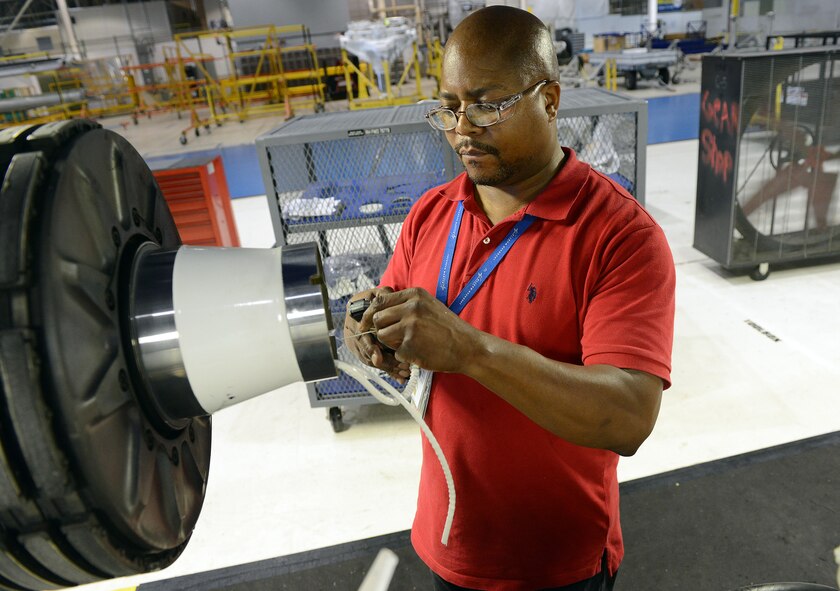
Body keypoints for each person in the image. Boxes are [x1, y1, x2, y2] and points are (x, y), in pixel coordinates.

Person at [343, 6, 675, 590]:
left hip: (555, 562)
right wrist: (373, 331)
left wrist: (469, 350)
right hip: (448, 539)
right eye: (448, 108)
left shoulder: (620, 237)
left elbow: (628, 416)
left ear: (549, 100)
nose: (462, 129)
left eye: (488, 104)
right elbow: (391, 299)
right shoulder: (431, 213)